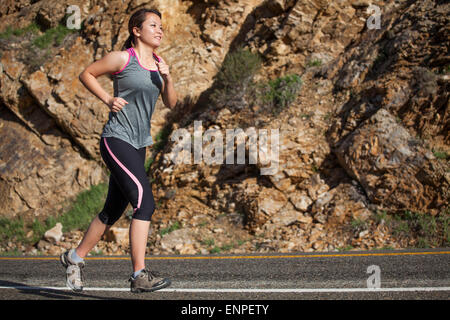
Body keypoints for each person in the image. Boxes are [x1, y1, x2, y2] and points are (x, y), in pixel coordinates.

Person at [60, 7, 177, 293]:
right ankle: (139, 275)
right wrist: (107, 99)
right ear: (136, 30)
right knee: (144, 203)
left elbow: (172, 103)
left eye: (161, 26)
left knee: (113, 210)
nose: (159, 30)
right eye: (153, 25)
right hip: (116, 139)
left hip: (139, 145)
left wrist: (168, 77)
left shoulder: (159, 64)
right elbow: (86, 73)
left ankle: (74, 259)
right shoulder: (123, 58)